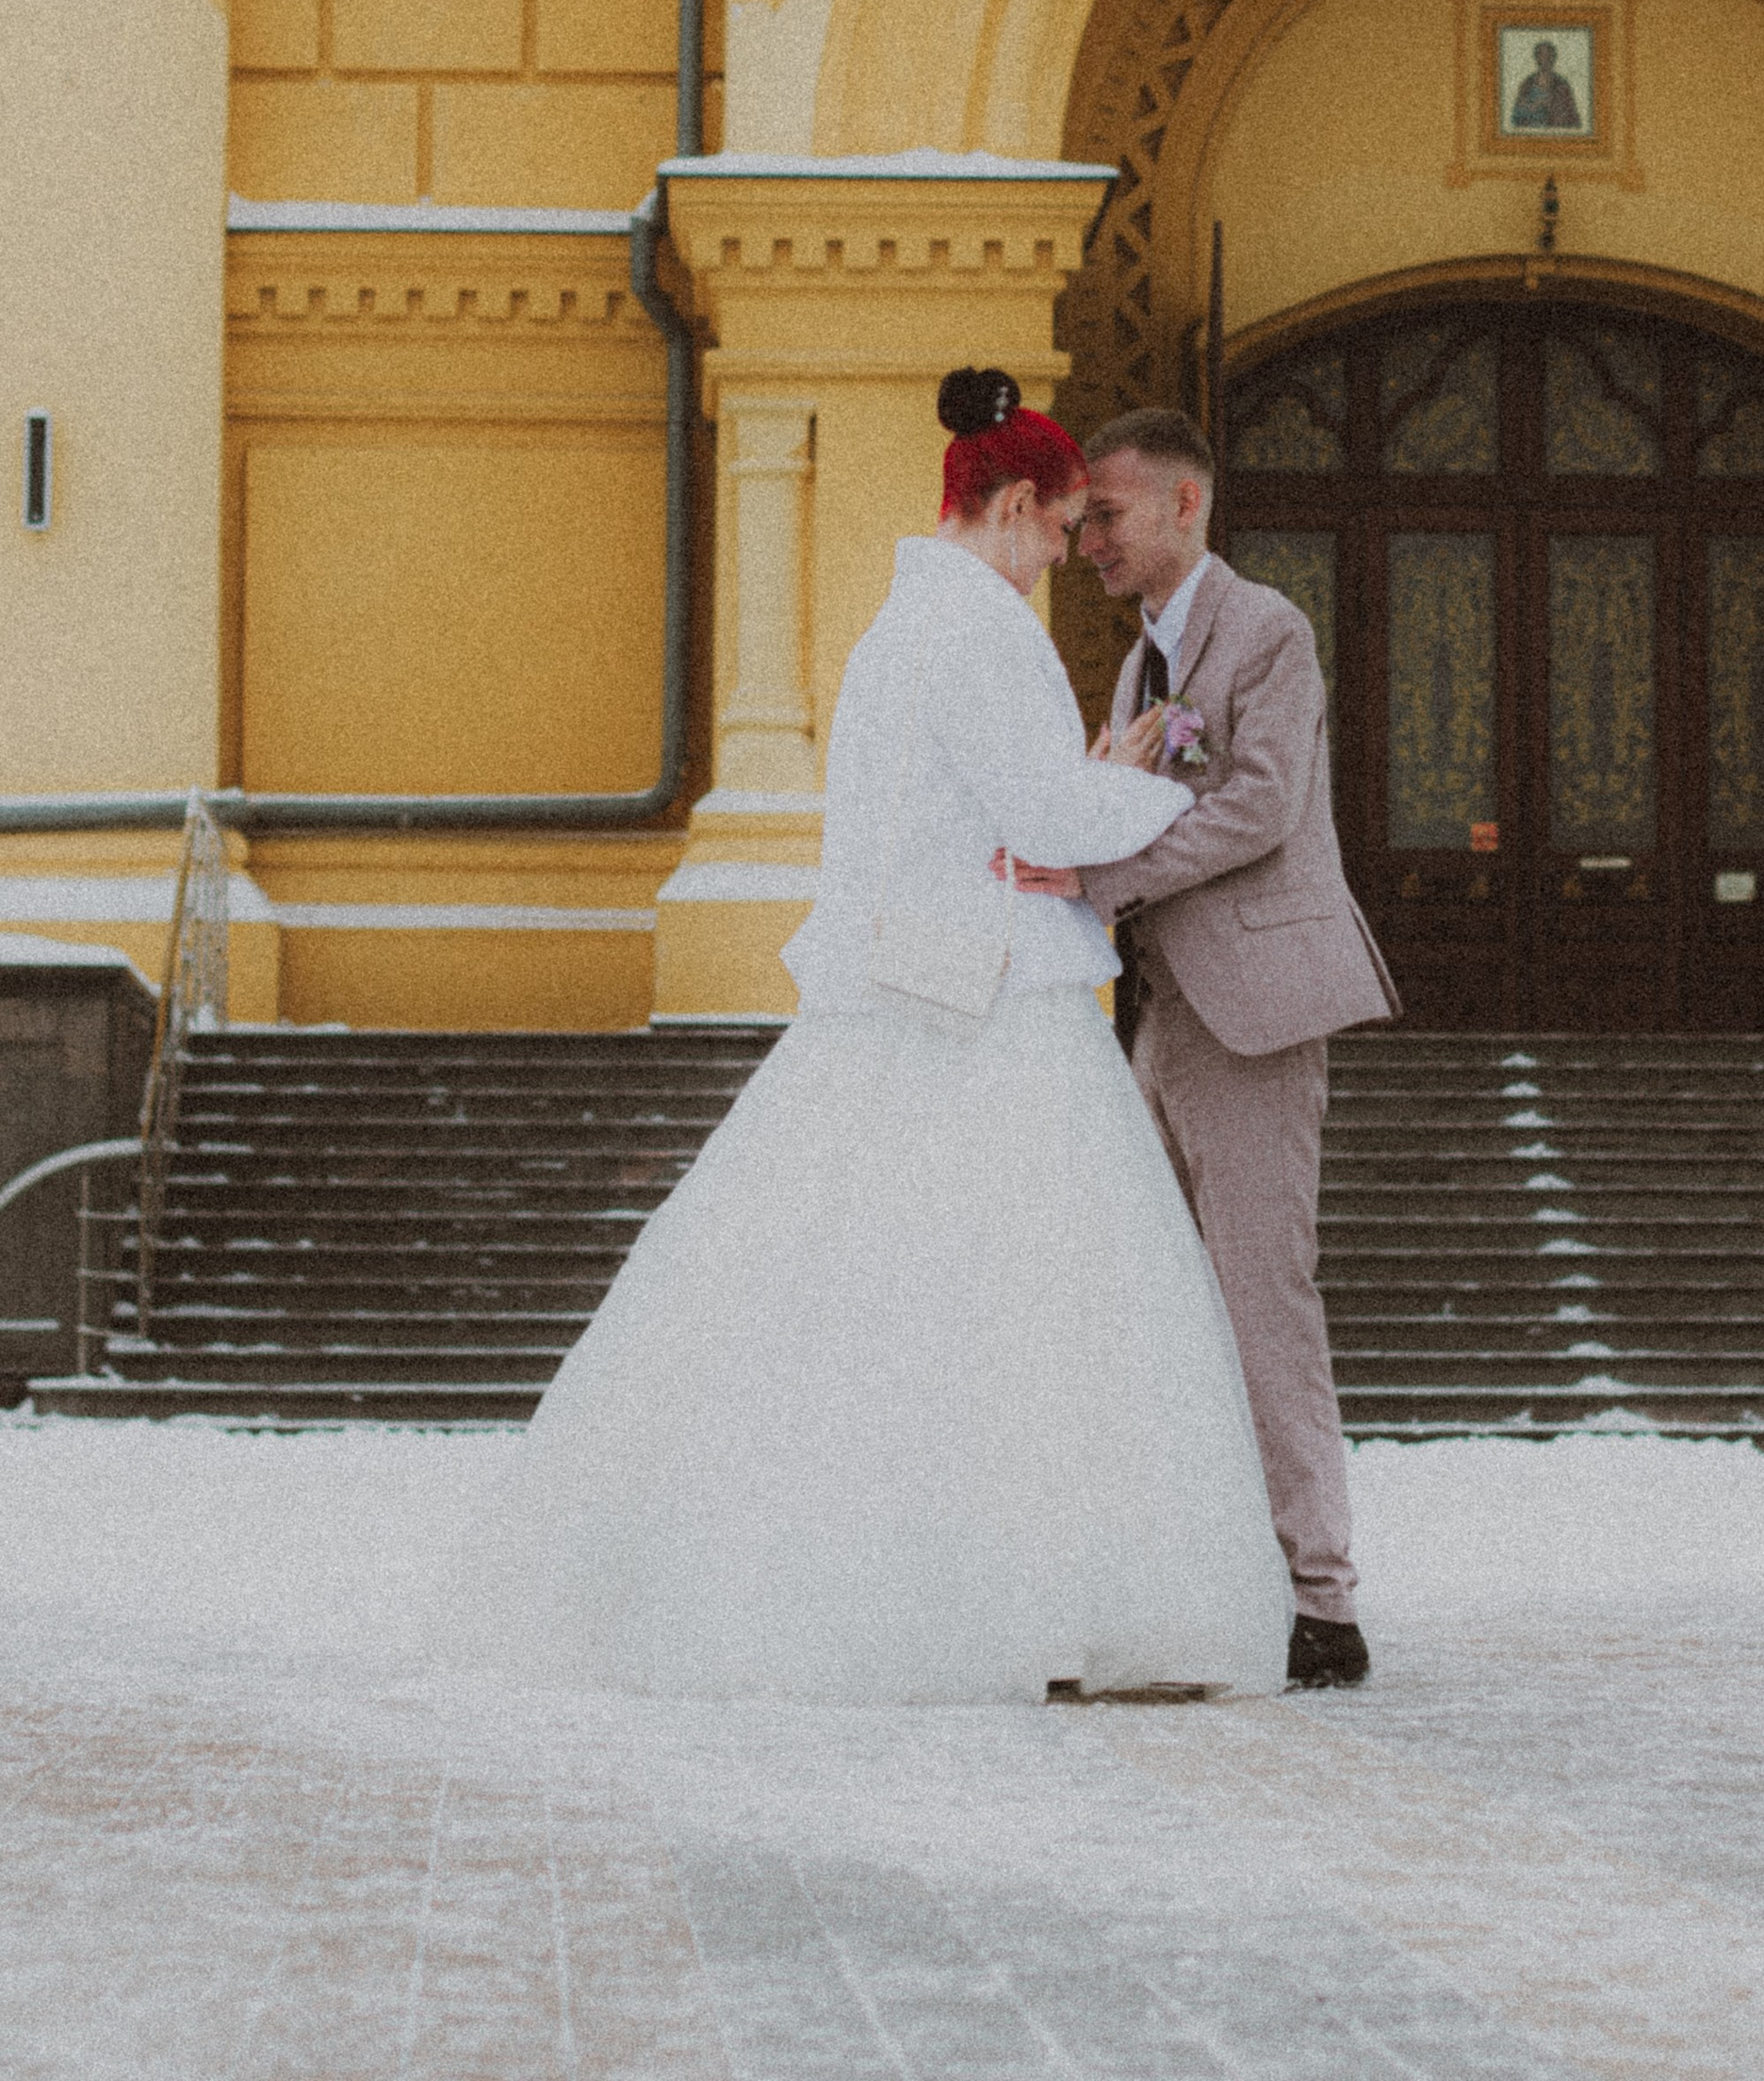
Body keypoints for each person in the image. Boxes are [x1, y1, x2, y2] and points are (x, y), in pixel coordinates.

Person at [440, 370, 1292, 1707]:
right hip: (992, 1007)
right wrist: (1125, 782)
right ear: (1014, 507)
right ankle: (1033, 1599)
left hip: (912, 992)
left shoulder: (901, 630)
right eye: (1065, 530)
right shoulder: (983, 633)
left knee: (873, 1299)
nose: (1072, 559)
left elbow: (966, 816)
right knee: (1027, 1310)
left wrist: (1068, 795)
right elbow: (1045, 819)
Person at [1007, 409, 1397, 1688]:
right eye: (1083, 516)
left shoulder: (1269, 631)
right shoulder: (1134, 674)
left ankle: (1321, 1601)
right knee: (1162, 1307)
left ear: (1188, 507)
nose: (1088, 536)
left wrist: (1099, 870)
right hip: (1164, 1019)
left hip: (1259, 1013)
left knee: (1262, 1300)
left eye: (1108, 514)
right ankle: (1208, 1575)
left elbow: (1261, 804)